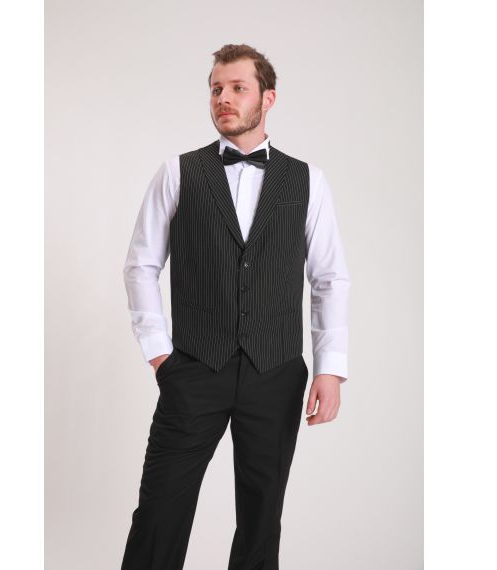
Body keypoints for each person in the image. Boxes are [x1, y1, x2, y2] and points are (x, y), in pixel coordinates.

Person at [120, 43, 351, 570]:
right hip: (194, 368)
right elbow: (140, 266)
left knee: (261, 519)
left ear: (268, 98)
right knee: (160, 512)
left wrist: (330, 369)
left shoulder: (308, 180)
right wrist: (160, 356)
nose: (223, 98)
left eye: (237, 88)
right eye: (216, 89)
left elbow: (329, 277)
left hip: (276, 370)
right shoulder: (178, 172)